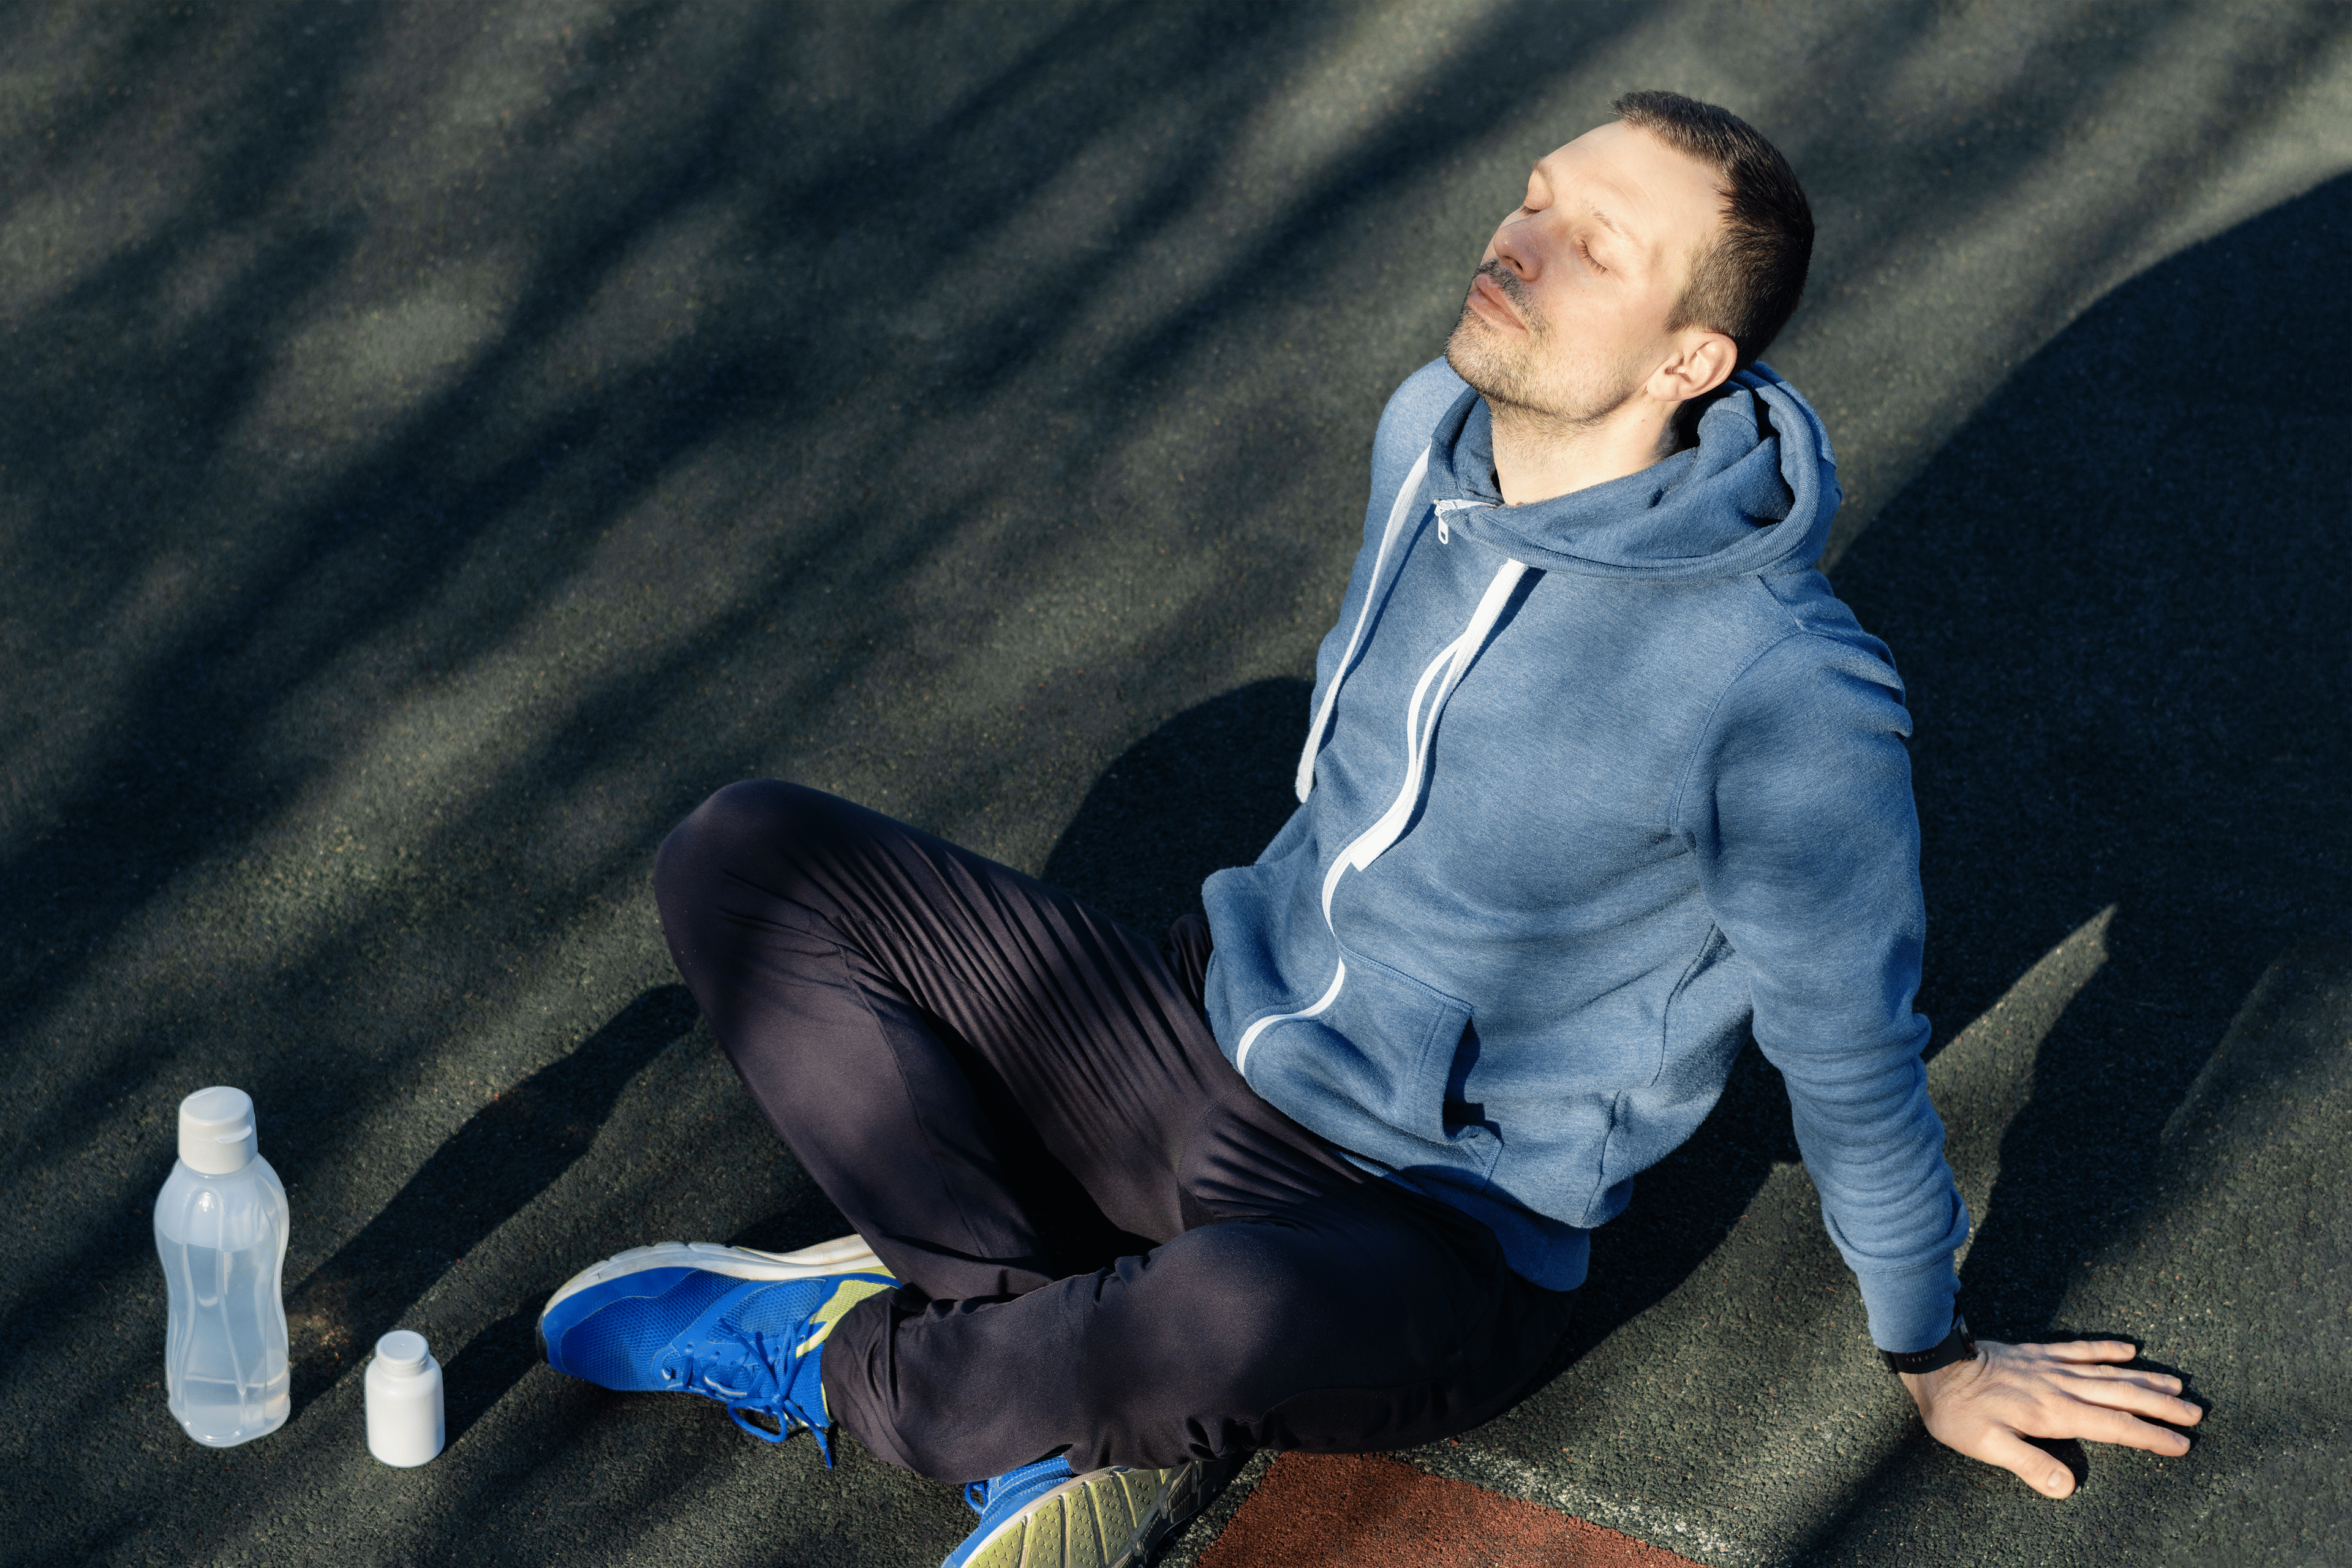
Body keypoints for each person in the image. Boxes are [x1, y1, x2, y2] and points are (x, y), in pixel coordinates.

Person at [535, 91, 2201, 1566]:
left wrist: (1935, 1350)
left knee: (1227, 1307)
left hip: (1422, 1236)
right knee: (742, 856)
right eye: (1539, 194)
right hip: (1193, 1044)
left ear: (1694, 361)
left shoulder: (1787, 693)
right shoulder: (1432, 430)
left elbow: (1853, 1054)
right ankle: (1035, 1355)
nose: (1524, 243)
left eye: (1597, 246)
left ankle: (877, 1382)